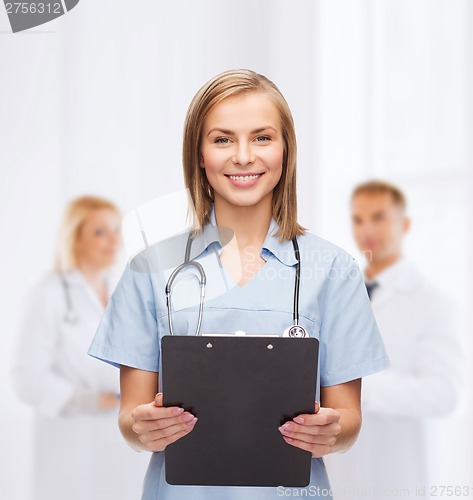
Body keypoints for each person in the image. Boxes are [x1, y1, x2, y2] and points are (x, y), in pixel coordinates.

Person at [88, 69, 390, 500]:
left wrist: (331, 433)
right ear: (199, 154)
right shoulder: (151, 269)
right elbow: (129, 423)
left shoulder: (333, 269)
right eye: (223, 139)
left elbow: (349, 422)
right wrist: (146, 429)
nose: (244, 156)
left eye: (263, 138)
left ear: (286, 150)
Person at [325, 180, 464, 499]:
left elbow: (444, 394)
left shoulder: (433, 302)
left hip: (396, 477)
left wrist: (354, 384)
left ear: (405, 224)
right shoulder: (337, 294)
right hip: (340, 473)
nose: (367, 230)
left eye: (379, 217)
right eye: (358, 220)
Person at [12, 196, 149, 500]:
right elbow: (26, 377)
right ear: (74, 239)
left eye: (116, 230)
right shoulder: (48, 292)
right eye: (100, 232)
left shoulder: (124, 289)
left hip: (119, 440)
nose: (112, 240)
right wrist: (85, 400)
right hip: (70, 437)